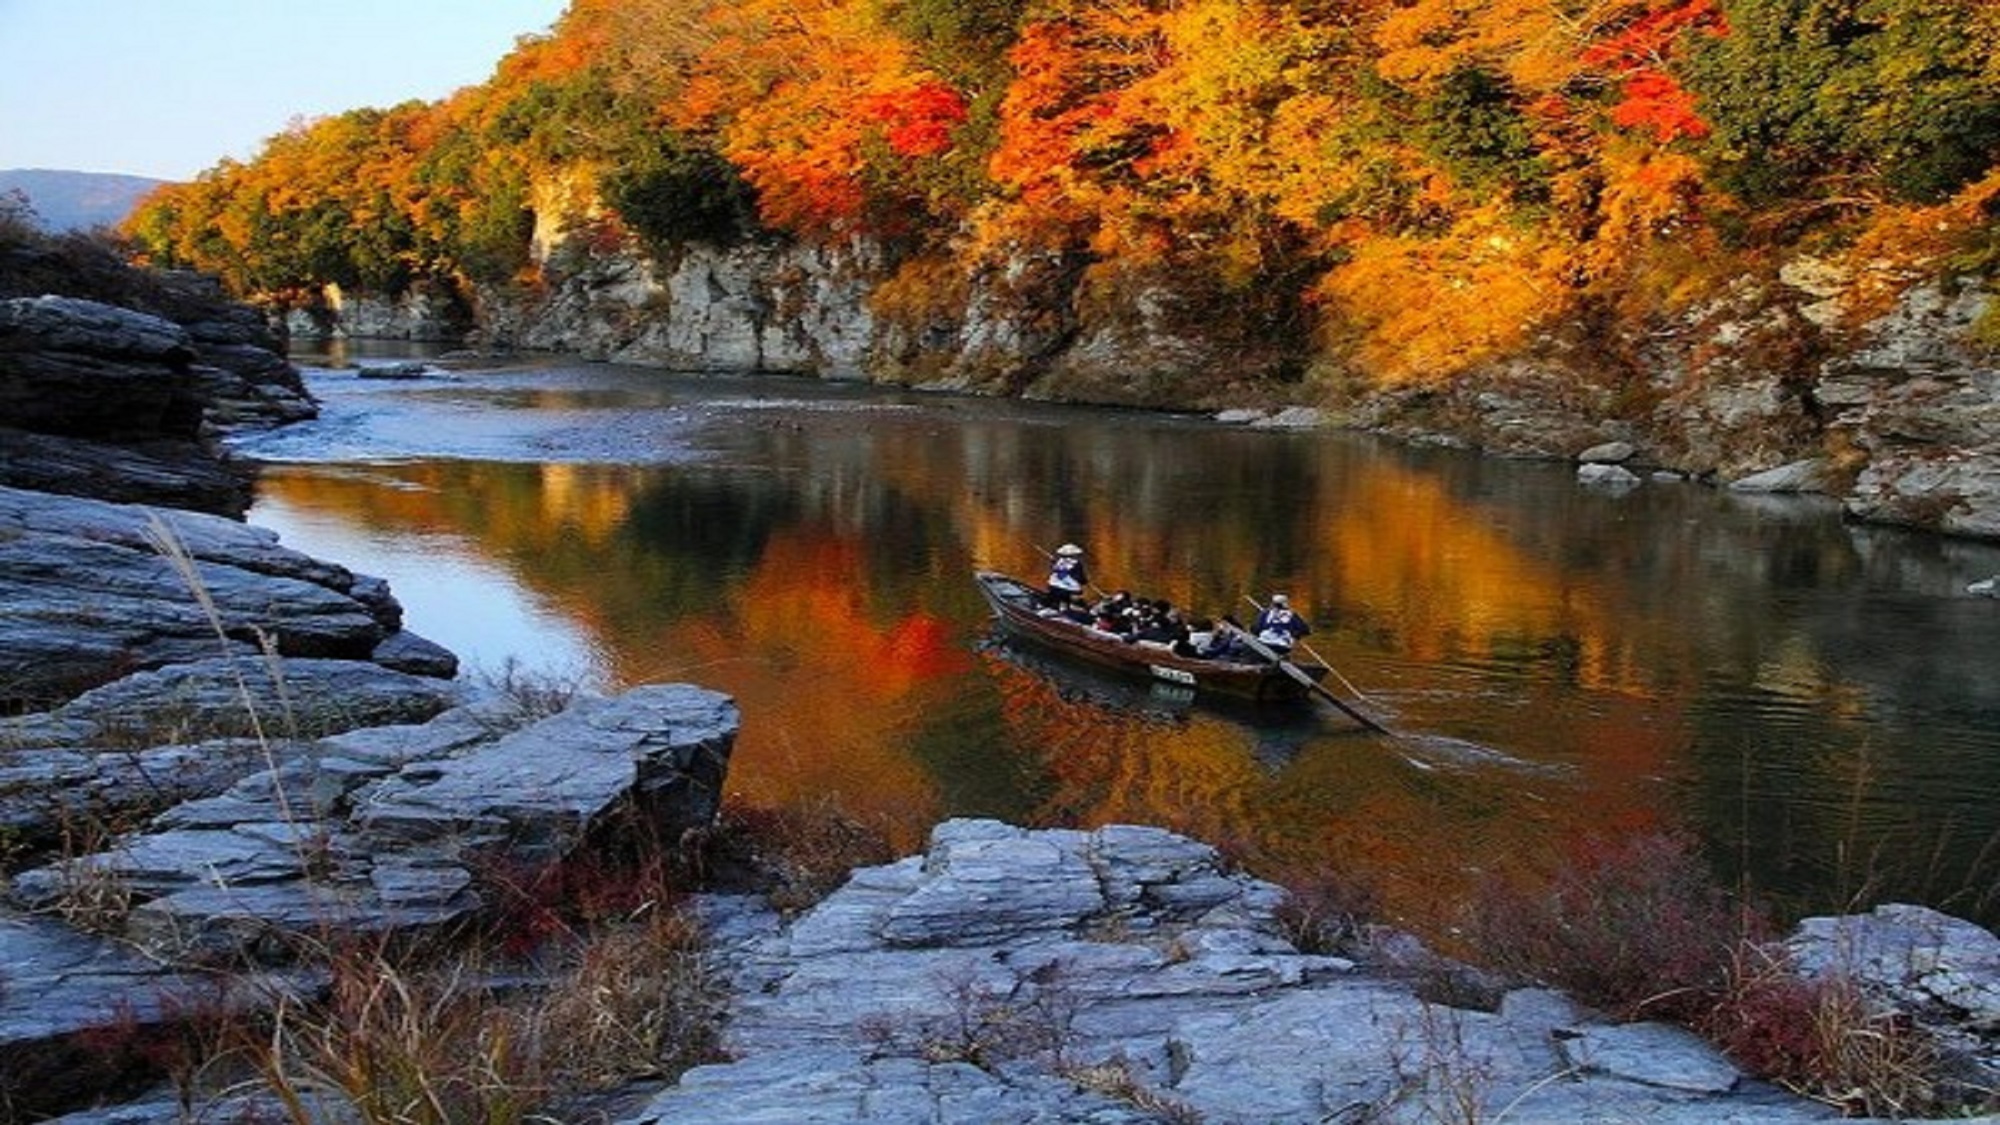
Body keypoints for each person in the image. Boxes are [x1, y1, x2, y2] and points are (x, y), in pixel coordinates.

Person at [1044, 543, 1090, 609]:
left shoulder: (1059, 561)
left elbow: (1054, 570)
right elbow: (1080, 578)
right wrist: (1085, 582)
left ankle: (1057, 605)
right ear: (1074, 554)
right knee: (1077, 592)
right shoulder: (1077, 563)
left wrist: (1053, 562)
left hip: (1052, 587)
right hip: (1068, 590)